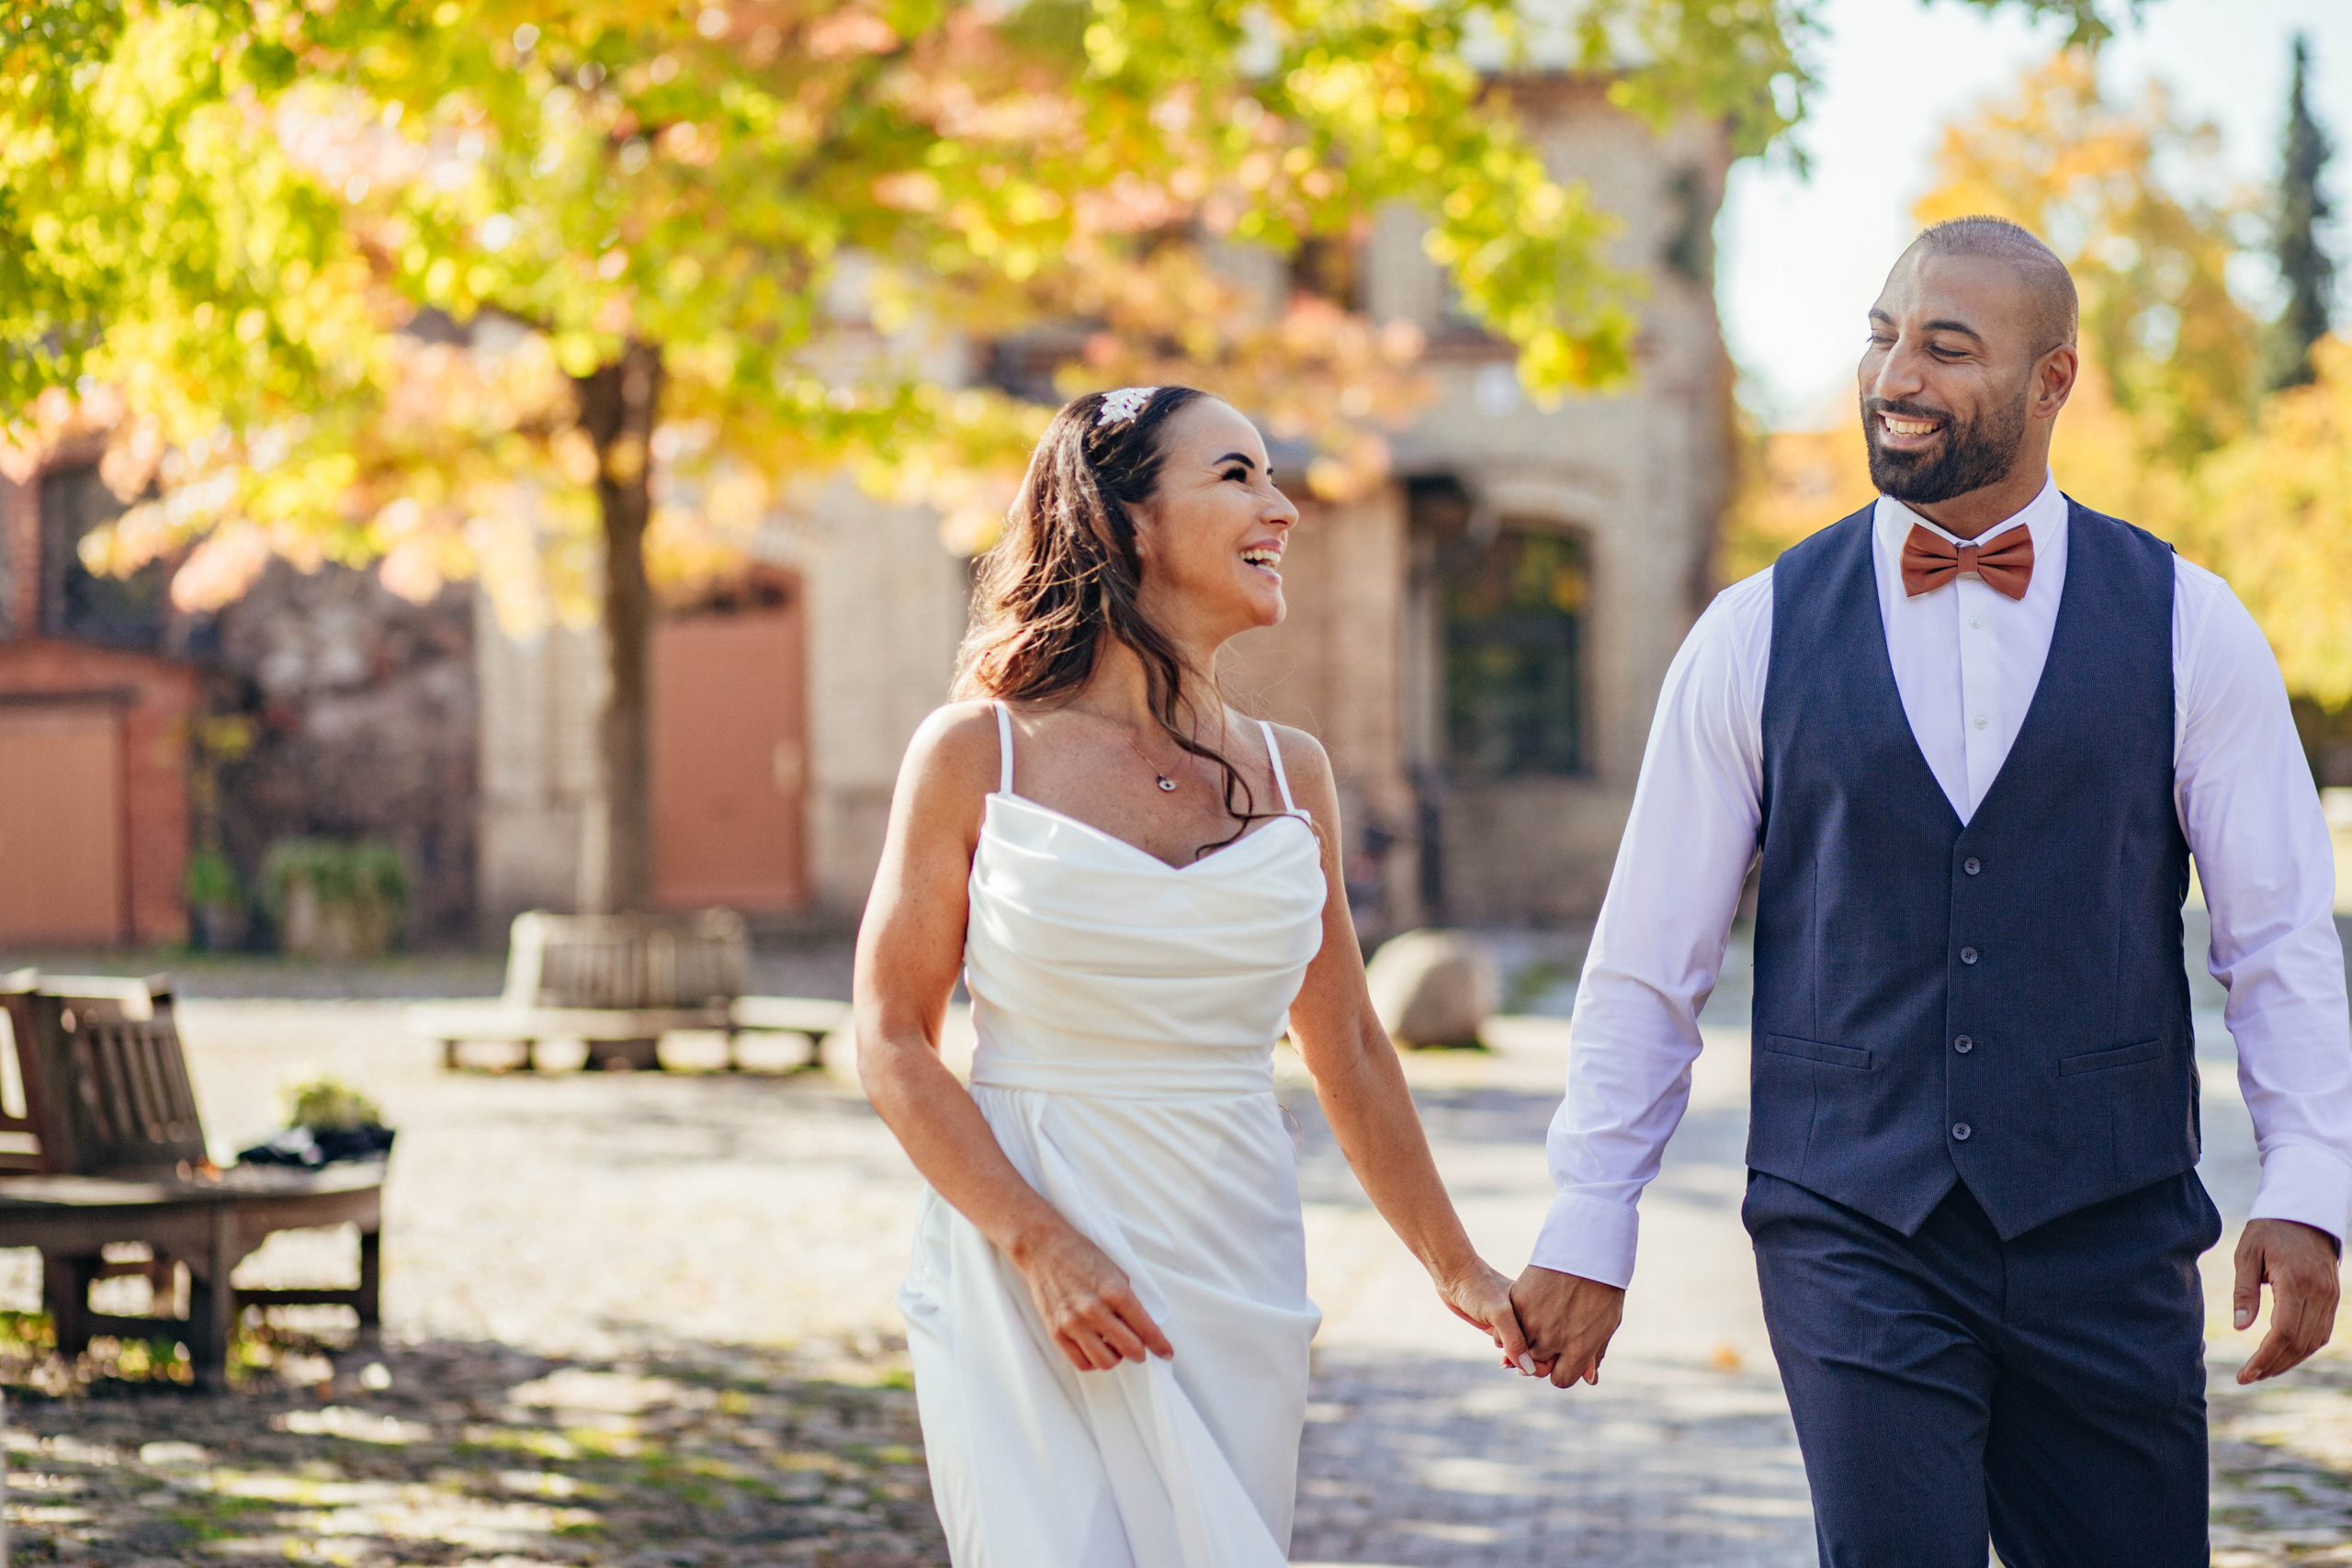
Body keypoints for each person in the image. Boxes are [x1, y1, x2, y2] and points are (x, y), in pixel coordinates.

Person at [1510, 216, 2352, 1564]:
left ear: (2052, 381)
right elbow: (1648, 957)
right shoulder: (1752, 630)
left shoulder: (2193, 621)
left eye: (1946, 348)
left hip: (2109, 1224)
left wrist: (2310, 1182)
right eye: (1881, 334)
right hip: (1853, 1225)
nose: (1895, 372)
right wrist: (1589, 1217)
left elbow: (2278, 941)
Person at [856, 385, 1532, 1567]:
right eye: (1237, 475)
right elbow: (892, 1039)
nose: (1281, 507)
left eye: (1271, 475)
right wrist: (1037, 1243)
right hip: (1026, 1266)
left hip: (1231, 1266)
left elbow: (1354, 1051)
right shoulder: (976, 752)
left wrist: (1457, 1266)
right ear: (1124, 522)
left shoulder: (1294, 774)